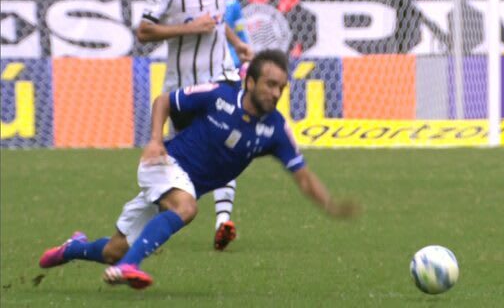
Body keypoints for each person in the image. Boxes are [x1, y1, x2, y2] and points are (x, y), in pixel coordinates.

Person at [38, 49, 357, 290]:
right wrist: (154, 140)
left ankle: (73, 248)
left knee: (112, 250)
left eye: (281, 88)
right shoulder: (218, 96)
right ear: (249, 81)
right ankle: (129, 267)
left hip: (181, 185)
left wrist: (328, 203)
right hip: (163, 163)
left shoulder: (275, 130)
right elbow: (164, 100)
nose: (275, 93)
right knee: (187, 208)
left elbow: (301, 175)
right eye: (270, 84)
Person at [136, 0, 253, 251]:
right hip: (185, 87)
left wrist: (238, 43)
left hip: (222, 78)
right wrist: (188, 28)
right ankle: (138, 231)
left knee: (229, 144)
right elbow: (144, 31)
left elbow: (215, 21)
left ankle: (222, 220)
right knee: (177, 171)